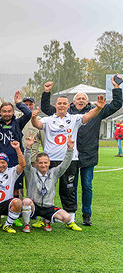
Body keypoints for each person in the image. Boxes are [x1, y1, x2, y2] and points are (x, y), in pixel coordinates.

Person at [39, 77, 121, 225]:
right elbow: (46, 108)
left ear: (87, 101)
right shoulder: (66, 111)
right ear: (73, 102)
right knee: (70, 187)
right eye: (79, 98)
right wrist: (47, 92)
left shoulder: (97, 111)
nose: (81, 100)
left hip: (88, 155)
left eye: (84, 98)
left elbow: (116, 104)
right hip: (70, 156)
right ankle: (67, 215)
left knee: (87, 186)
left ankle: (86, 215)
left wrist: (116, 88)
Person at [31, 90, 105, 224]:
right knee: (46, 188)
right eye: (59, 103)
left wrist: (98, 108)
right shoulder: (48, 119)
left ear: (68, 105)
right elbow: (37, 125)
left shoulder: (74, 119)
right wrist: (33, 117)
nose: (61, 106)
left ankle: (70, 218)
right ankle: (45, 217)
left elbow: (88, 116)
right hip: (50, 160)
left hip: (69, 159)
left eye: (64, 103)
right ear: (55, 105)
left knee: (68, 188)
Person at [22, 133, 82, 232]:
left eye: (45, 162)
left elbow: (65, 164)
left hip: (48, 206)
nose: (43, 165)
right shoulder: (31, 172)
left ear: (49, 163)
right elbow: (26, 162)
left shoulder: (54, 172)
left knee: (67, 218)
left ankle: (48, 220)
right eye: (40, 163)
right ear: (36, 163)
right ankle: (27, 224)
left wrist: (70, 150)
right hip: (34, 206)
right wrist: (28, 147)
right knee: (26, 201)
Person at [0, 89, 32, 199]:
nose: (7, 114)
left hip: (15, 160)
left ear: (13, 112)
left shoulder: (18, 123)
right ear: (0, 112)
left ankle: (16, 209)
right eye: (4, 111)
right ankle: (0, 208)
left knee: (16, 188)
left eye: (9, 111)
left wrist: (19, 104)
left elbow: (28, 113)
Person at [20, 97, 45, 166]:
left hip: (32, 160)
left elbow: (44, 142)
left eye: (30, 104)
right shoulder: (17, 118)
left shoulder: (40, 121)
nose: (28, 106)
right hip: (18, 159)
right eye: (25, 104)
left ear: (34, 105)